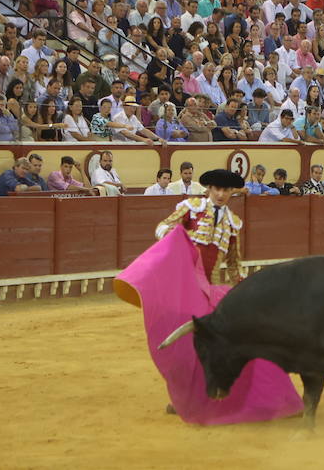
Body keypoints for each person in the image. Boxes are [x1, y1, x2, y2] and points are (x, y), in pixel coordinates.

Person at [114, 168, 302, 426]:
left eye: (227, 190)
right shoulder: (190, 208)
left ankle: (239, 396)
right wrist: (170, 237)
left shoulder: (234, 223)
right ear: (209, 190)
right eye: (217, 189)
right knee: (183, 350)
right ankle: (183, 399)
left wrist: (245, 289)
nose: (222, 194)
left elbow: (234, 263)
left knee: (229, 343)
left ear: (232, 193)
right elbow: (163, 226)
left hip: (211, 292)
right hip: (183, 289)